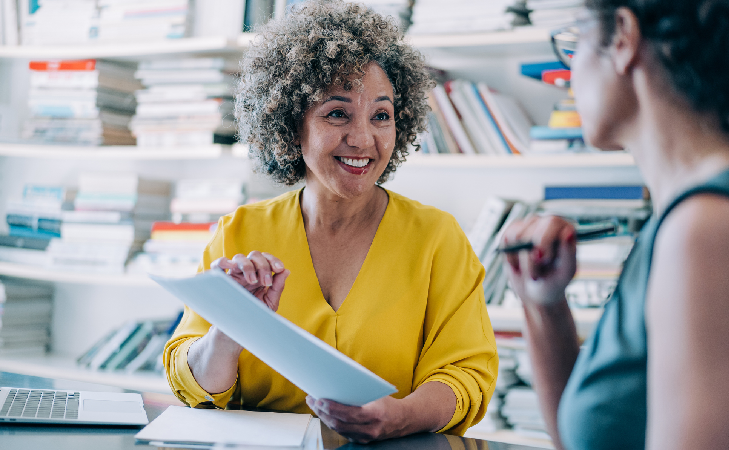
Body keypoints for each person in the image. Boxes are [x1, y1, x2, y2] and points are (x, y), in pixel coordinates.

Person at [163, 0, 497, 443]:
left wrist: (400, 416)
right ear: (289, 122)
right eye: (337, 113)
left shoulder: (437, 238)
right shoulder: (239, 234)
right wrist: (230, 329)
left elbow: (466, 376)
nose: (363, 139)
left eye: (381, 115)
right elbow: (194, 386)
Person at [502, 1, 729, 449]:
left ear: (622, 36)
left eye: (577, 39)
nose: (569, 72)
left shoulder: (709, 229)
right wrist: (545, 305)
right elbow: (591, 438)